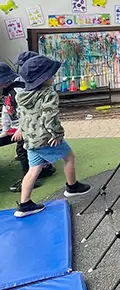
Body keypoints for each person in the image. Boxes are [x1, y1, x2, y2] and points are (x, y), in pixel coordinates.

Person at [14, 54, 92, 217]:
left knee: (34, 169)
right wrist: (57, 134)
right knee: (69, 157)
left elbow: (22, 115)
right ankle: (72, 187)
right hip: (46, 138)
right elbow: (50, 116)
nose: (53, 76)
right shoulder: (48, 94)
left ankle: (25, 204)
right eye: (51, 74)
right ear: (43, 78)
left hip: (30, 139)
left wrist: (20, 129)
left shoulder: (21, 96)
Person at [0, 60, 56, 191]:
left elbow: (27, 111)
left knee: (23, 151)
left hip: (27, 125)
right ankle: (43, 169)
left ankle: (30, 178)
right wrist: (5, 130)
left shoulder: (18, 90)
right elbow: (6, 110)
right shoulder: (7, 92)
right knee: (32, 150)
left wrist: (21, 128)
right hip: (21, 126)